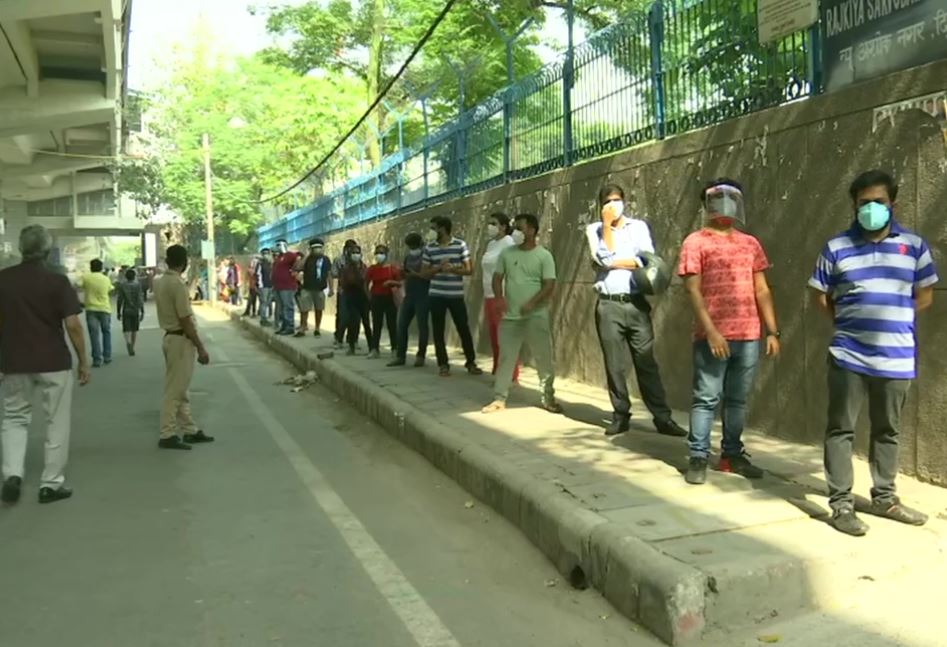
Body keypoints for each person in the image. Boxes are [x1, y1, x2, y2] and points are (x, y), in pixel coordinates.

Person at [808, 170, 937, 536]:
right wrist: (850, 321)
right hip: (848, 356)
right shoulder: (836, 247)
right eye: (864, 203)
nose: (871, 209)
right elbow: (820, 296)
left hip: (896, 358)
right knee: (840, 430)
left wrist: (891, 318)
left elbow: (925, 295)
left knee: (887, 430)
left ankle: (885, 498)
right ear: (854, 205)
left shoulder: (913, 246)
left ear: (892, 204)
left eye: (878, 202)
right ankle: (841, 505)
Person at [678, 179, 780, 485]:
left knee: (737, 399)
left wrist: (773, 331)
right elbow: (693, 291)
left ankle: (732, 455)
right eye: (717, 197)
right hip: (712, 337)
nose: (725, 203)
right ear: (706, 205)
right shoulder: (694, 242)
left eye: (731, 197)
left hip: (748, 335)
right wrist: (710, 331)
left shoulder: (750, 243)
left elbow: (761, 289)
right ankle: (697, 456)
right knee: (706, 397)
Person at [586, 184, 687, 438]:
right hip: (608, 304)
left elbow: (647, 261)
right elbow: (602, 256)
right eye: (608, 201)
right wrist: (607, 227)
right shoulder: (594, 230)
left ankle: (662, 417)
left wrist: (612, 261)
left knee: (646, 362)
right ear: (601, 205)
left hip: (636, 302)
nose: (613, 205)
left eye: (617, 200)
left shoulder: (638, 227)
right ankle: (620, 414)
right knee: (614, 364)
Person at [0, 225, 90, 505]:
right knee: (56, 421)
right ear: (47, 250)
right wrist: (83, 361)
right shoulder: (57, 281)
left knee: (14, 419)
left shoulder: (3, 280)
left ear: (20, 248)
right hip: (53, 361)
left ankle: (12, 475)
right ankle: (50, 484)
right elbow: (73, 325)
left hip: (13, 361)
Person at [482, 214, 562, 414]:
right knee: (506, 358)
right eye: (515, 227)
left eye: (521, 228)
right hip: (510, 317)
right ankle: (499, 398)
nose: (516, 231)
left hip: (536, 316)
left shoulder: (544, 256)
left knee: (543, 358)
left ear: (532, 230)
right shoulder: (507, 254)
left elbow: (549, 284)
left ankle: (548, 398)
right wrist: (499, 298)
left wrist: (532, 303)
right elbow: (497, 278)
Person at [154, 245, 214, 450]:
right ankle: (167, 433)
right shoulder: (177, 285)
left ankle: (189, 429)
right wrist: (201, 347)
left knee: (181, 388)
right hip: (180, 339)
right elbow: (185, 319)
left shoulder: (161, 282)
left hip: (171, 338)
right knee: (175, 390)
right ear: (184, 261)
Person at [422, 216, 483, 377]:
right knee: (438, 330)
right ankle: (443, 364)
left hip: (455, 294)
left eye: (434, 228)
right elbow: (424, 273)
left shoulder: (460, 245)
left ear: (443, 229)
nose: (432, 231)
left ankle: (471, 362)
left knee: (463, 327)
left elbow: (469, 269)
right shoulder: (430, 248)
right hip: (436, 295)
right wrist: (438, 268)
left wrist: (453, 269)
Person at [481, 212, 520, 381]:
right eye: (489, 223)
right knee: (494, 336)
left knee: (504, 337)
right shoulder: (491, 245)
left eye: (494, 223)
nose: (490, 226)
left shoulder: (509, 243)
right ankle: (498, 369)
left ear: (503, 226)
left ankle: (510, 373)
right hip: (488, 295)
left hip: (503, 295)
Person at [388, 233, 430, 367]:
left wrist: (413, 274)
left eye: (413, 245)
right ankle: (401, 356)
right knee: (401, 324)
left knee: (422, 325)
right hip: (410, 294)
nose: (411, 248)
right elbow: (404, 275)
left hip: (423, 294)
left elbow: (427, 274)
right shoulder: (408, 256)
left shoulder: (425, 255)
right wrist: (401, 273)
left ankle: (421, 355)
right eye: (409, 246)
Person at [365, 244, 401, 359]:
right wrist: (369, 296)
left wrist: (391, 282)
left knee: (392, 324)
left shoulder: (392, 268)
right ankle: (375, 349)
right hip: (376, 298)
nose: (379, 255)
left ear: (386, 255)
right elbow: (366, 283)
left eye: (381, 253)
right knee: (376, 324)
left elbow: (400, 283)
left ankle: (394, 348)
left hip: (389, 298)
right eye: (377, 253)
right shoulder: (372, 269)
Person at [338, 244, 371, 355]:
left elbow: (366, 281)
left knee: (366, 322)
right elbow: (344, 283)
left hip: (363, 297)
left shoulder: (364, 267)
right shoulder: (346, 269)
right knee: (353, 322)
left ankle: (372, 347)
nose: (356, 255)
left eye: (357, 253)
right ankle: (351, 346)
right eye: (353, 253)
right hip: (351, 297)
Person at [81, 258, 114, 367]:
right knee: (106, 332)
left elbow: (76, 285)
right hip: (105, 309)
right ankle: (107, 356)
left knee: (94, 335)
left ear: (91, 267)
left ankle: (97, 359)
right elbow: (110, 289)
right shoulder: (106, 279)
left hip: (91, 309)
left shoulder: (86, 278)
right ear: (101, 268)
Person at [296, 238, 333, 338]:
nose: (318, 250)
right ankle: (303, 327)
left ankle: (317, 328)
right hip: (307, 287)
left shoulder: (325, 259)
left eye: (319, 248)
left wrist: (331, 288)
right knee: (304, 309)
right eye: (315, 248)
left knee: (319, 309)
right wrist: (307, 256)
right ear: (311, 249)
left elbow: (329, 274)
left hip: (320, 288)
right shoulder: (308, 259)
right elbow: (298, 267)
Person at [272, 239, 303, 335]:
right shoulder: (278, 258)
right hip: (278, 286)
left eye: (278, 245)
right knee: (281, 307)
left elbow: (299, 259)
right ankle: (284, 325)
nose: (277, 247)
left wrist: (295, 271)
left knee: (288, 306)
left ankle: (290, 326)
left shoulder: (289, 255)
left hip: (287, 286)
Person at [332, 239, 358, 348]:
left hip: (356, 292)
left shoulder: (358, 261)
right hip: (343, 291)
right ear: (346, 249)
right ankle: (339, 338)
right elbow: (333, 273)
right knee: (343, 316)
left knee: (356, 317)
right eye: (350, 249)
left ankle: (353, 340)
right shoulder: (339, 260)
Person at [116, 268, 146, 357]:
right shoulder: (137, 285)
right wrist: (142, 311)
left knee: (126, 329)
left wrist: (118, 311)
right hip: (135, 310)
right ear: (134, 276)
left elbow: (120, 299)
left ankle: (128, 342)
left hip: (126, 309)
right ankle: (132, 346)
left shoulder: (122, 285)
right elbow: (140, 299)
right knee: (134, 329)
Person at [256, 247, 275, 326]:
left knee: (267, 302)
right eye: (265, 254)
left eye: (267, 253)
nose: (266, 255)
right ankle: (263, 319)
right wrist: (260, 285)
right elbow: (258, 275)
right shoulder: (260, 264)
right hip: (263, 286)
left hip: (270, 285)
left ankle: (266, 317)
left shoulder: (271, 264)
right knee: (264, 302)